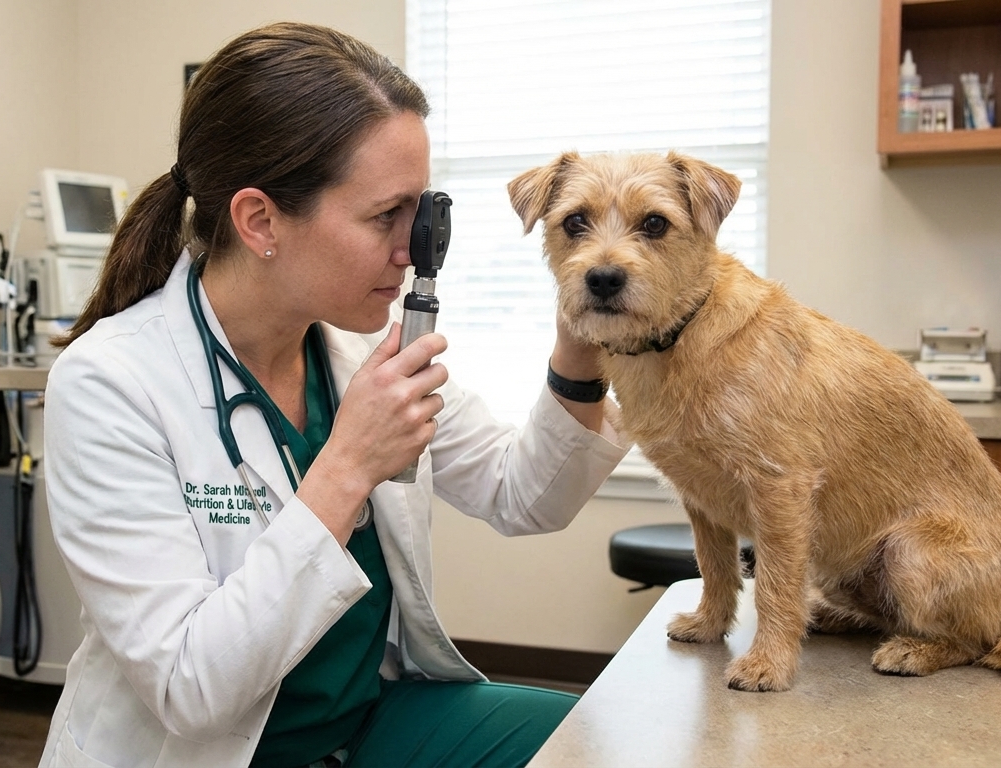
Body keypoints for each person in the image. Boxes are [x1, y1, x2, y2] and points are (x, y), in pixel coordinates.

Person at [38, 22, 628, 768]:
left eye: (421, 210)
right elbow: (191, 689)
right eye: (387, 215)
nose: (415, 247)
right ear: (261, 222)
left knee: (596, 742)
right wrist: (348, 466)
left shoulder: (354, 352)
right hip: (211, 753)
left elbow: (527, 496)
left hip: (365, 722)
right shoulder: (110, 382)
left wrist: (580, 344)